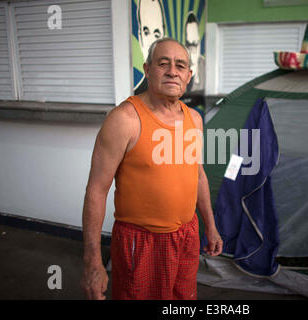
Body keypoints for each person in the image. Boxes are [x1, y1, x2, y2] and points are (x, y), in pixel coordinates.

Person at [81, 38, 223, 300]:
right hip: (142, 242)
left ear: (188, 75)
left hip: (187, 235)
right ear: (147, 69)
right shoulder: (124, 119)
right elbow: (96, 190)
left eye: (180, 65)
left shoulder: (194, 118)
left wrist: (210, 226)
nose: (172, 71)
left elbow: (198, 175)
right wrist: (92, 262)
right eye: (163, 63)